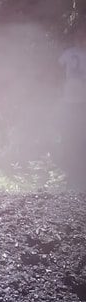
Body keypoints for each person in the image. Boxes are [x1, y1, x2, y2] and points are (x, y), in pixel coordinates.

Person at [58, 27, 86, 188]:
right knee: (70, 137)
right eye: (79, 35)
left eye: (83, 36)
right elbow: (56, 71)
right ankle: (70, 173)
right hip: (69, 101)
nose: (81, 38)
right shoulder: (68, 53)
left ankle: (80, 173)